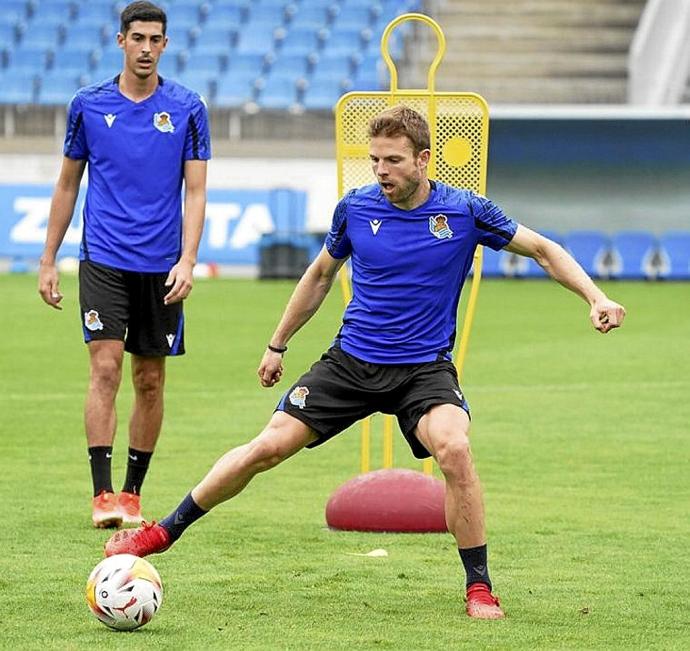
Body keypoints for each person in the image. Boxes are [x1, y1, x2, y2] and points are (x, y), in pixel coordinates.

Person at [105, 106, 625, 619]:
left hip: (424, 370)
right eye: (375, 159)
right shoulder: (355, 208)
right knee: (265, 448)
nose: (381, 171)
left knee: (455, 449)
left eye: (393, 160)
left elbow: (543, 249)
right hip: (350, 364)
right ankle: (163, 531)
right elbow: (318, 277)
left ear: (423, 159)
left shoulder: (466, 210)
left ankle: (480, 587)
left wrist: (595, 297)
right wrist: (277, 343)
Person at [38, 1, 211, 529]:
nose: (145, 48)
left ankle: (133, 494)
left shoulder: (187, 107)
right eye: (137, 38)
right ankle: (102, 494)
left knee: (151, 379)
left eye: (155, 40)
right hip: (104, 259)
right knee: (105, 367)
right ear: (120, 41)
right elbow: (68, 183)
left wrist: (187, 260)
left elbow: (197, 191)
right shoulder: (88, 105)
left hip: (161, 266)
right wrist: (48, 258)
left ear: (165, 45)